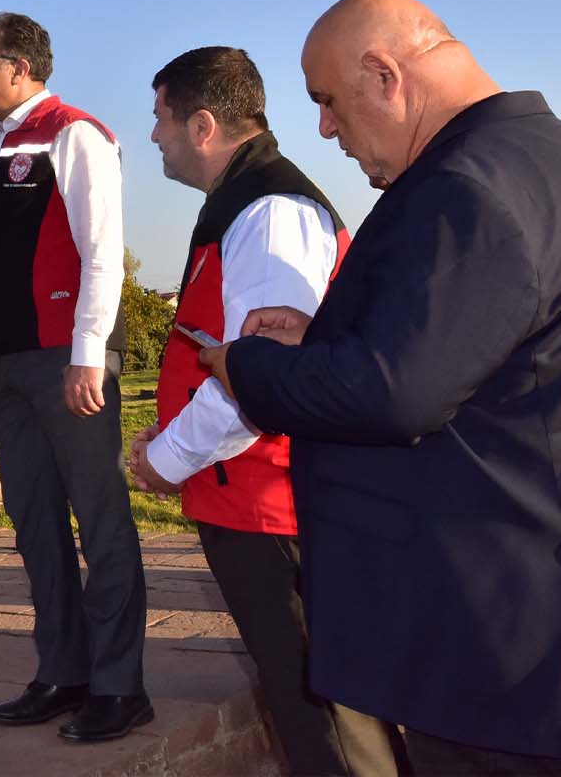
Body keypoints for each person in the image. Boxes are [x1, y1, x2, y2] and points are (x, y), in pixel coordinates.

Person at [199, 0, 561, 775]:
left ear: (385, 75)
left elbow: (394, 394)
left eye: (327, 100)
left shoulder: (464, 189)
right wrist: (321, 342)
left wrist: (245, 365)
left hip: (510, 655)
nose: (325, 128)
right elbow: (501, 358)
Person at [126, 47, 401, 775]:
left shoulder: (270, 213)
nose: (154, 135)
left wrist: (165, 458)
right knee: (314, 704)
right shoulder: (248, 205)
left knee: (325, 712)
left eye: (161, 117)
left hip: (272, 501)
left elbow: (269, 379)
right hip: (255, 494)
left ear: (204, 124)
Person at [0, 12, 149, 742]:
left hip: (67, 358)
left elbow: (103, 250)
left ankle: (120, 685)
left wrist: (88, 353)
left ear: (18, 65)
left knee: (100, 521)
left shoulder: (75, 134)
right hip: (8, 362)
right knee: (35, 523)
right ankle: (63, 671)